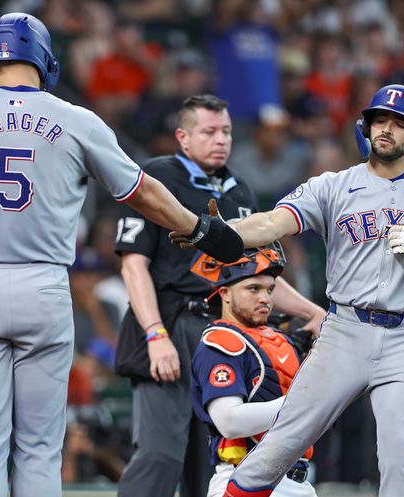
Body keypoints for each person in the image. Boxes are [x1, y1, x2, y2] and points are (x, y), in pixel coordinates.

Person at [0, 13, 242, 497]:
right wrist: (199, 228)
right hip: (43, 286)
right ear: (43, 57)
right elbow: (142, 191)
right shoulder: (76, 118)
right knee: (39, 448)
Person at [174, 84, 404, 497]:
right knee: (285, 439)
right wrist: (212, 232)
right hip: (347, 329)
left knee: (398, 454)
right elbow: (271, 223)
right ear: (366, 126)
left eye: (399, 123)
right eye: (380, 120)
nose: (387, 128)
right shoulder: (333, 186)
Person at [115, 94, 326, 497]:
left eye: (226, 131)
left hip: (222, 331)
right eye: (209, 131)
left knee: (212, 458)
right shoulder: (157, 176)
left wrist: (311, 310)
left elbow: (256, 274)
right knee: (160, 455)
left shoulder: (239, 190)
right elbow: (133, 264)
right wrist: (155, 335)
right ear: (183, 137)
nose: (220, 140)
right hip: (168, 320)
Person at [189, 244, 318, 497]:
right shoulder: (221, 342)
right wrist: (300, 403)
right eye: (253, 288)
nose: (265, 298)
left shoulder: (278, 339)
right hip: (245, 478)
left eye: (270, 289)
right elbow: (229, 421)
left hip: (296, 481)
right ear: (225, 294)